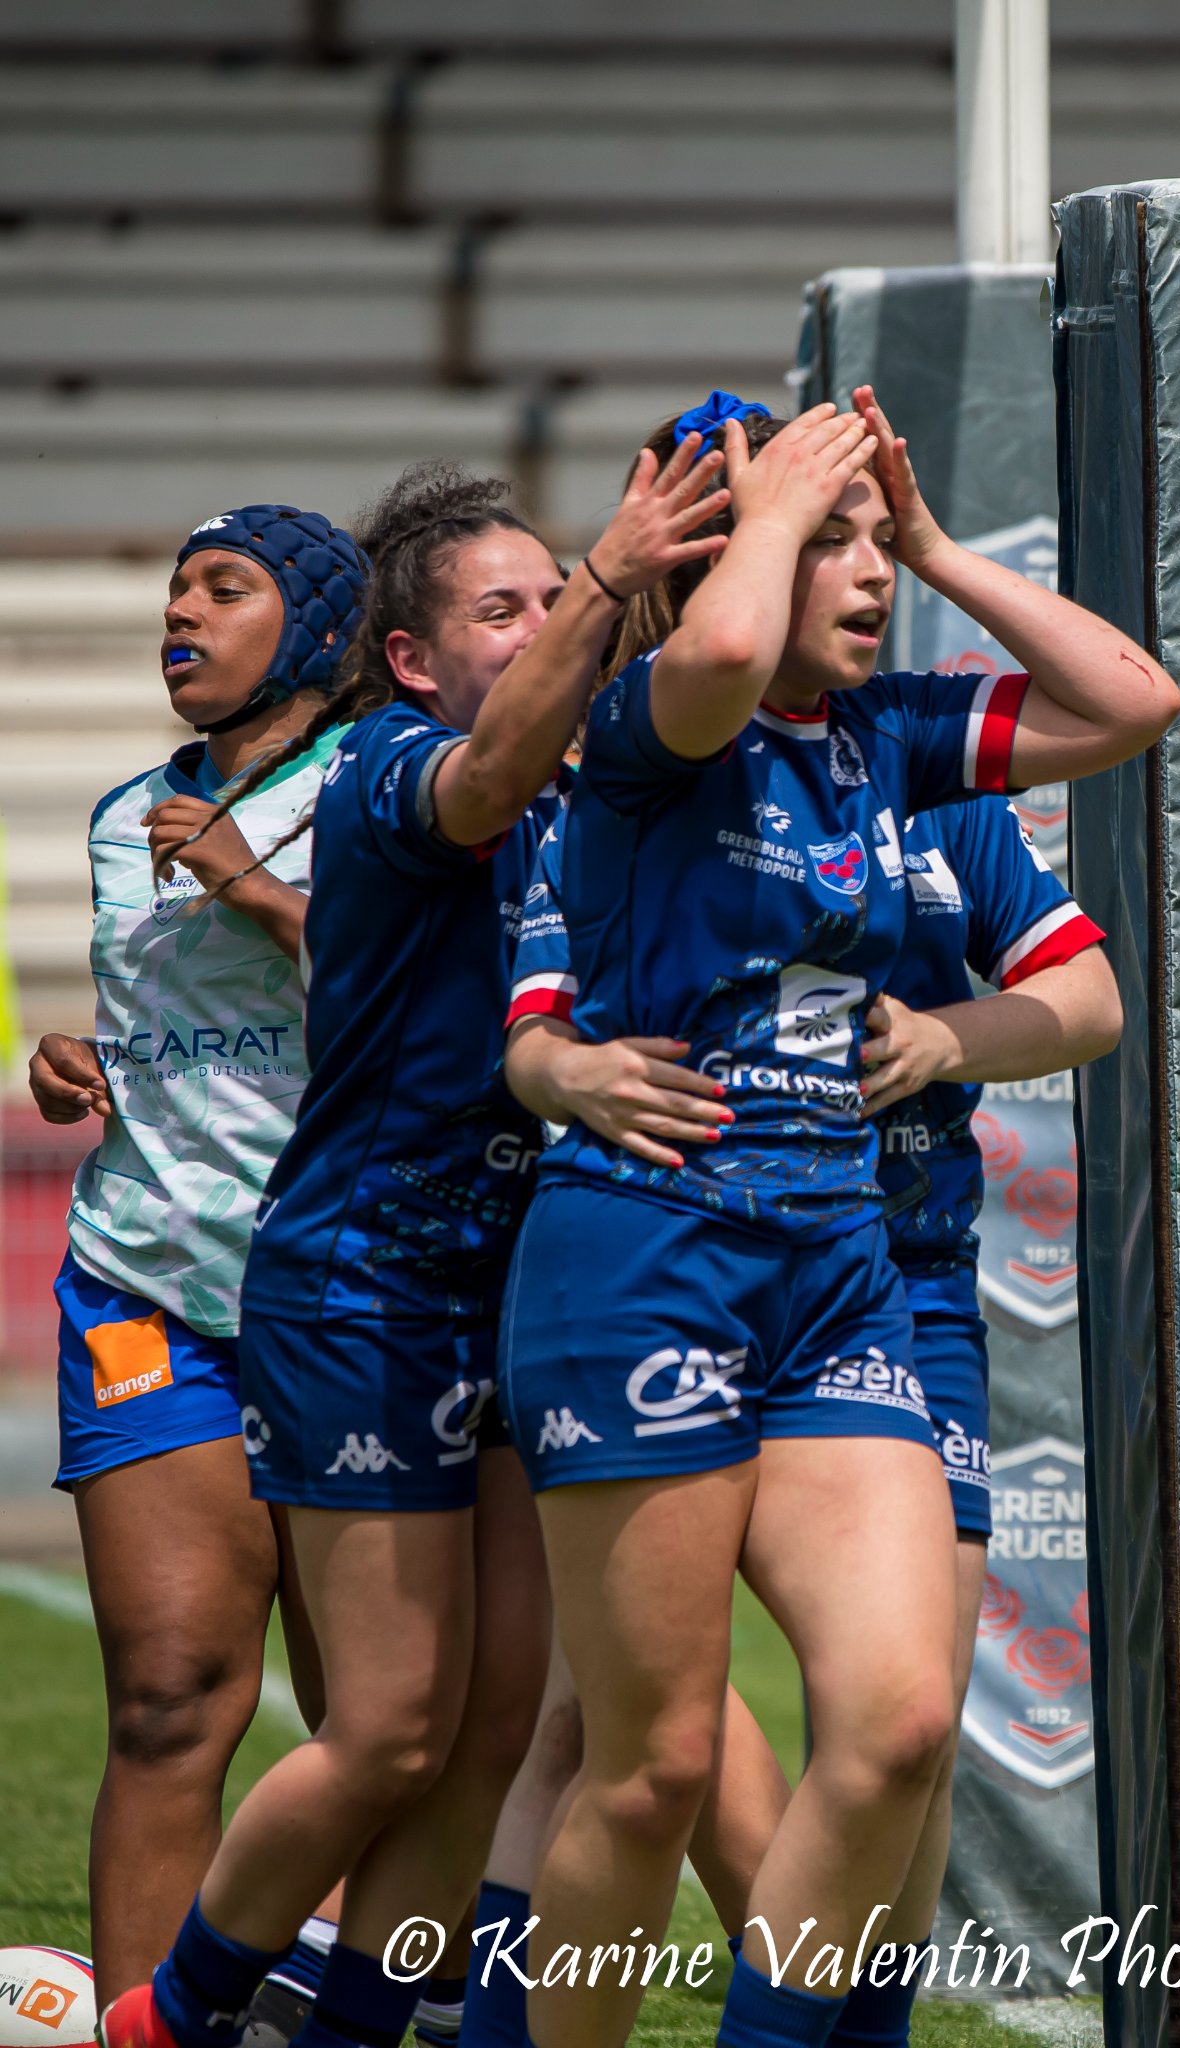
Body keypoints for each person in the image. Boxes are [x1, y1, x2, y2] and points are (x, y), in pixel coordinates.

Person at [494, 384, 1180, 2048]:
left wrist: (931, 537)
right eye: (836, 543)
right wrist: (781, 509)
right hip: (644, 1248)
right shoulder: (653, 717)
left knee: (893, 1726)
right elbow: (723, 658)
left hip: (840, 1265)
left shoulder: (891, 739)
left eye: (882, 547)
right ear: (741, 553)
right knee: (644, 1765)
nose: (870, 576)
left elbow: (1134, 699)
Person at [96, 440, 729, 2048]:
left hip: (518, 1285)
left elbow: (672, 694)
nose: (540, 624)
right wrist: (600, 585)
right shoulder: (393, 778)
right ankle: (164, 2017)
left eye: (547, 596)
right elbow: (499, 768)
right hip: (366, 1281)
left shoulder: (576, 777)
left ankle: (356, 2031)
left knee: (503, 1724)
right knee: (380, 1731)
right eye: (499, 607)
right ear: (407, 659)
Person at [27, 505, 366, 2010]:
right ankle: (135, 2030)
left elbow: (414, 990)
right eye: (173, 590)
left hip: (357, 1289)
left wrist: (250, 882)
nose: (181, 612)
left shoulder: (384, 779)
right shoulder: (117, 814)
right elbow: (190, 1034)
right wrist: (87, 1062)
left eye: (223, 590)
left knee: (381, 1722)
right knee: (169, 1702)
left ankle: (306, 1996)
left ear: (313, 630)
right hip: (146, 1282)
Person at [847, 792, 1122, 2042]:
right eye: (822, 571)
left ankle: (861, 2020)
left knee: (914, 1728)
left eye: (873, 571)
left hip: (909, 1282)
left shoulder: (941, 787)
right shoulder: (665, 747)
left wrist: (938, 1041)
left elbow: (1088, 1001)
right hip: (688, 1267)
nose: (860, 580)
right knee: (622, 1731)